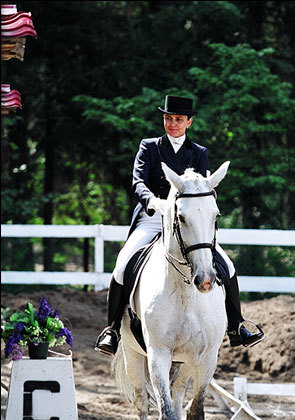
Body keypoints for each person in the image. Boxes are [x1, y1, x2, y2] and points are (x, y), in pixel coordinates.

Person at [95, 95, 265, 356]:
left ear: (189, 122)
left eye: (178, 120)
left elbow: (206, 190)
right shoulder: (149, 147)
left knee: (227, 266)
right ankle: (113, 330)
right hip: (153, 216)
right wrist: (154, 202)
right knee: (122, 264)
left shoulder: (199, 153)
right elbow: (137, 182)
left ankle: (236, 325)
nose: (172, 124)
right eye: (168, 119)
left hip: (189, 222)